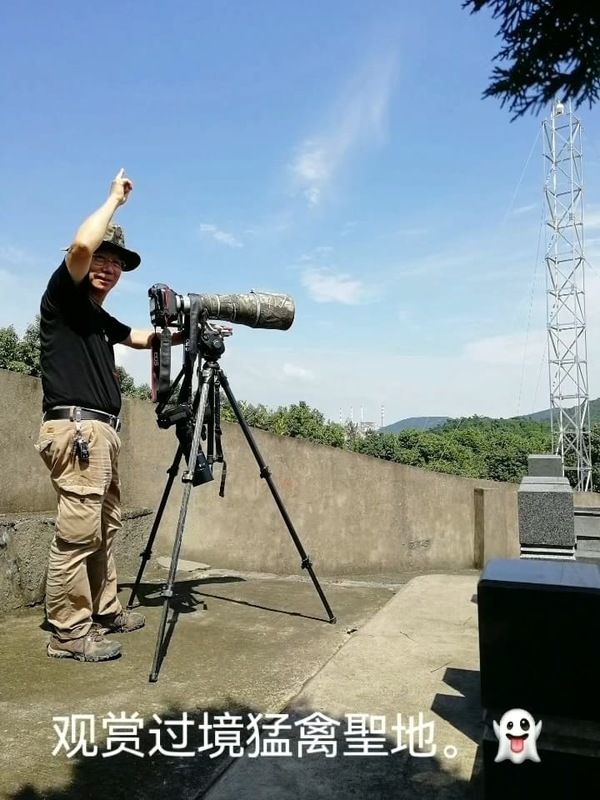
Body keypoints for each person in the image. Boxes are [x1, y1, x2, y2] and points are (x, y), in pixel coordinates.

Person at [35, 169, 176, 662]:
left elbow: (138, 337)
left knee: (104, 527)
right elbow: (79, 247)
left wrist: (188, 332)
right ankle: (67, 632)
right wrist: (114, 199)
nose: (108, 268)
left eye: (116, 263)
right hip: (76, 430)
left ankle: (104, 609)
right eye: (102, 257)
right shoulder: (63, 295)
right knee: (77, 534)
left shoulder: (97, 316)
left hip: (100, 433)